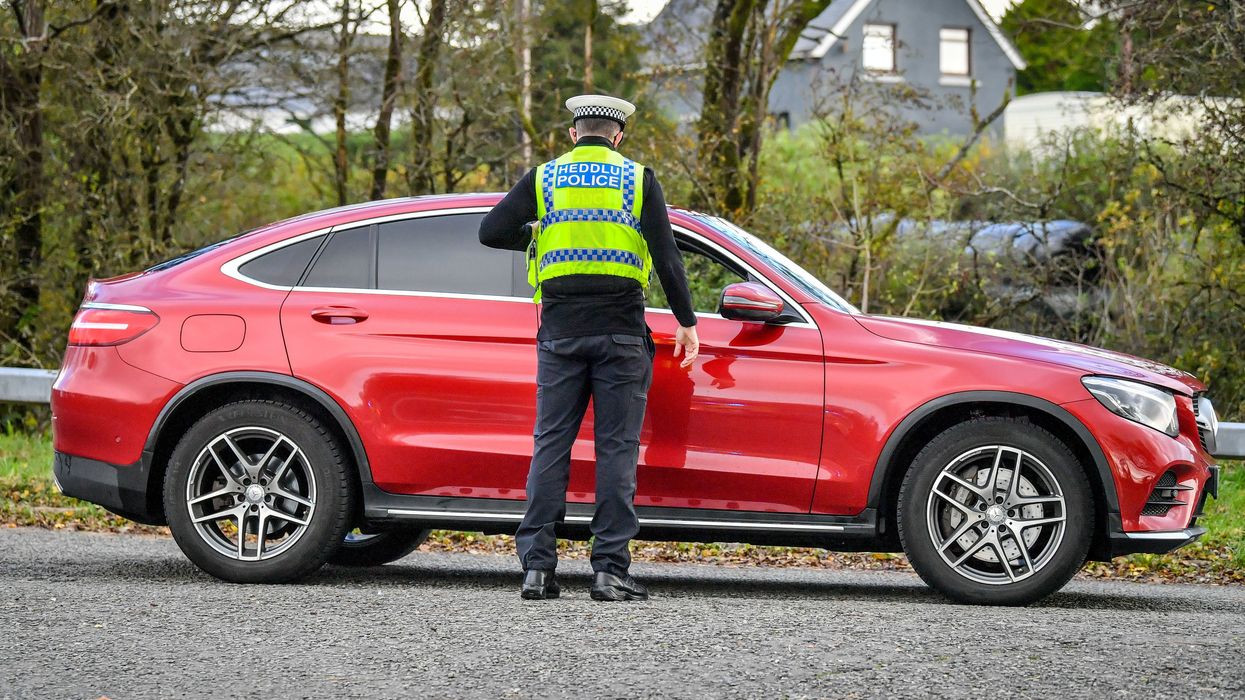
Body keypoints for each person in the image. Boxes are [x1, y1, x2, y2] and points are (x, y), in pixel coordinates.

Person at [479, 94, 699, 602]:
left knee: (550, 443)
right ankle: (609, 572)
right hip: (621, 331)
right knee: (616, 449)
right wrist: (687, 321)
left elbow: (490, 231)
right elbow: (667, 256)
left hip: (559, 332)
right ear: (618, 137)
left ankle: (537, 569)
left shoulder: (545, 178)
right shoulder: (636, 178)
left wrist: (537, 231)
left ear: (574, 134)